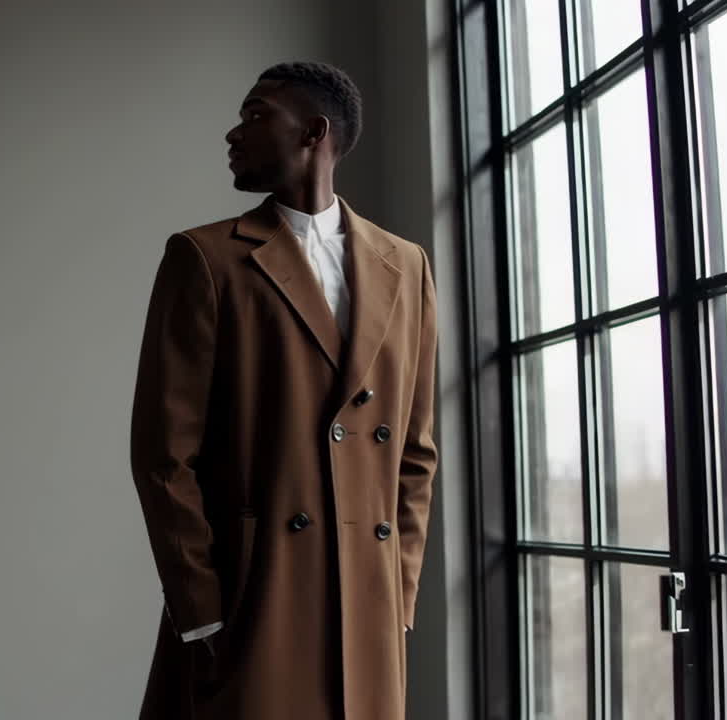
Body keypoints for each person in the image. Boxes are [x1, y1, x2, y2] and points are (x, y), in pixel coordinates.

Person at [129, 60, 438, 720]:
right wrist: (202, 609)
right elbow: (164, 456)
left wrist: (397, 590)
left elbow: (415, 449)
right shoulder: (206, 259)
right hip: (254, 599)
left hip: (369, 607)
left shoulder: (404, 265)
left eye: (256, 114)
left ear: (314, 133)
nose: (233, 133)